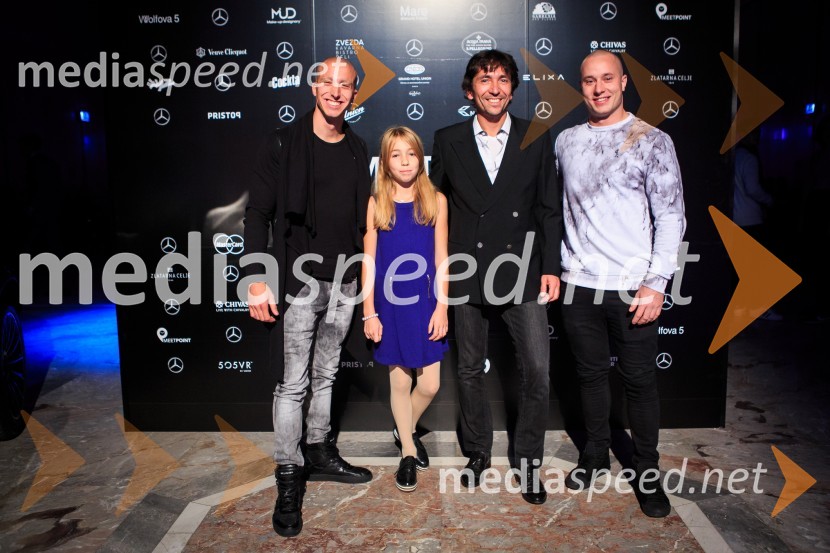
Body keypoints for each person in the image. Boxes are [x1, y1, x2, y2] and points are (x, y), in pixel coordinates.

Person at [244, 56, 373, 538]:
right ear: (314, 87)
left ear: (355, 94)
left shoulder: (359, 148)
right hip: (299, 283)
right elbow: (257, 214)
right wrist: (256, 279)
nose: (336, 91)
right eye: (329, 82)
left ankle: (318, 450)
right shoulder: (284, 142)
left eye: (346, 85)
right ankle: (289, 474)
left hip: (345, 282)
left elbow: (367, 221)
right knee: (293, 385)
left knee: (327, 373)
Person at [555, 50, 686, 518]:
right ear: (581, 85)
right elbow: (556, 213)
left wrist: (656, 283)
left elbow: (671, 216)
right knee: (589, 377)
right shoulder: (566, 141)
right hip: (578, 285)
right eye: (589, 80)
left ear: (624, 82)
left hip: (634, 287)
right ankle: (594, 453)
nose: (598, 88)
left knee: (639, 384)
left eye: (607, 78)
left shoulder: (652, 140)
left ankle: (647, 472)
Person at [429, 49, 562, 505]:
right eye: (486, 80)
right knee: (468, 369)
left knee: (537, 370)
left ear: (513, 88)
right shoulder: (447, 140)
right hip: (466, 269)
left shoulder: (536, 136)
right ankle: (478, 453)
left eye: (503, 79)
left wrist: (550, 267)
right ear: (471, 90)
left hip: (522, 269)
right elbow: (435, 211)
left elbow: (548, 206)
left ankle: (528, 462)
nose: (495, 88)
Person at [361, 126, 449, 492]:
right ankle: (408, 453)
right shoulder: (376, 203)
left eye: (410, 153)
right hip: (389, 304)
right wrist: (369, 310)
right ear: (385, 162)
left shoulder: (435, 200)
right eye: (396, 154)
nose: (404, 161)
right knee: (400, 380)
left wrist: (442, 306)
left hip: (426, 301)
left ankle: (404, 427)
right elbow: (368, 259)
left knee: (429, 384)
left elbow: (442, 256)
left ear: (420, 157)